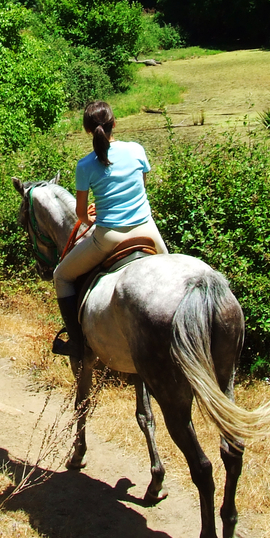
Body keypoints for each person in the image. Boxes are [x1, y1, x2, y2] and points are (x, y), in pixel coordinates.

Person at [51, 100, 168, 359]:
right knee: (172, 274)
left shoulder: (84, 166)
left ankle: (77, 344)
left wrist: (92, 217)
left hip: (109, 237)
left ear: (87, 130)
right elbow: (141, 189)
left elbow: (81, 215)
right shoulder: (137, 150)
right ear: (114, 123)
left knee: (61, 276)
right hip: (147, 229)